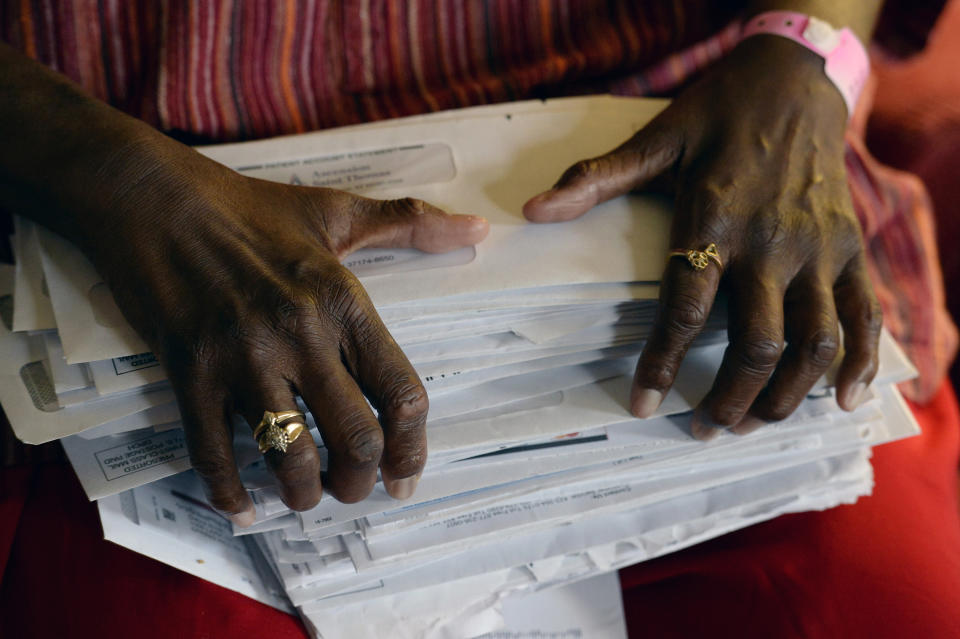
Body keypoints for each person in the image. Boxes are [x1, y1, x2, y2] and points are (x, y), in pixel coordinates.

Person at [1, 1, 958, 637]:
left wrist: (807, 53)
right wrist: (116, 179)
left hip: (694, 146)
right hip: (138, 195)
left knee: (894, 600)